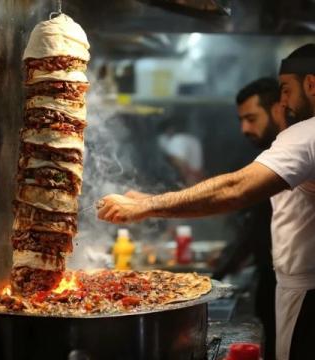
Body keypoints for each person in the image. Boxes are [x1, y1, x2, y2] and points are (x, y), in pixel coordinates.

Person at [97, 44, 315, 360]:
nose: (283, 102)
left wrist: (146, 207)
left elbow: (236, 188)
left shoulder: (306, 134)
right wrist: (151, 200)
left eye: (286, 90)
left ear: (311, 84)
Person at [213, 77, 285, 360]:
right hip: (272, 278)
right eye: (241, 120)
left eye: (251, 118)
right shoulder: (271, 155)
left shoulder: (295, 154)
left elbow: (235, 195)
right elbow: (257, 224)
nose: (245, 129)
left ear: (277, 110)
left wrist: (220, 271)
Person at [157, 120, 204, 186]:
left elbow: (179, 162)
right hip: (196, 179)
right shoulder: (192, 139)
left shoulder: (177, 140)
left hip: (190, 180)